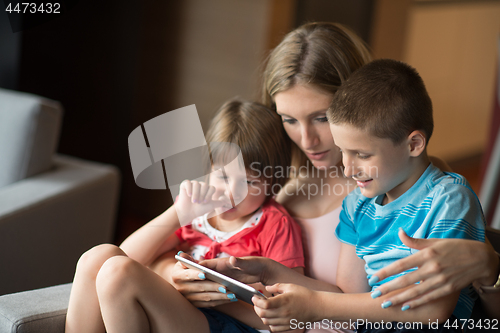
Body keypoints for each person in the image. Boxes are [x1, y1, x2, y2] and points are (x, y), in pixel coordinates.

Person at [168, 22, 499, 332]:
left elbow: (444, 307)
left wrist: (490, 270)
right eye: (289, 120)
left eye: (321, 118)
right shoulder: (289, 195)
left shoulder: (429, 190)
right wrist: (192, 274)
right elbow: (346, 298)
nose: (307, 140)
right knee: (115, 266)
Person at [64, 99, 305, 333]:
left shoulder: (275, 224)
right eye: (222, 176)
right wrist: (178, 213)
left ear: (273, 183)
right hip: (183, 313)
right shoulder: (199, 212)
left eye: (250, 182)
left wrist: (220, 298)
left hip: (234, 324)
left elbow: (291, 319)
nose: (232, 193)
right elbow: (127, 255)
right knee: (97, 258)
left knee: (119, 272)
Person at [328, 58, 485, 330]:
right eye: (342, 151)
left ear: (413, 144)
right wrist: (276, 277)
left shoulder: (449, 201)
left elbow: (432, 310)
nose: (347, 168)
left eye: (362, 154)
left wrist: (313, 305)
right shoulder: (356, 205)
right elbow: (349, 299)